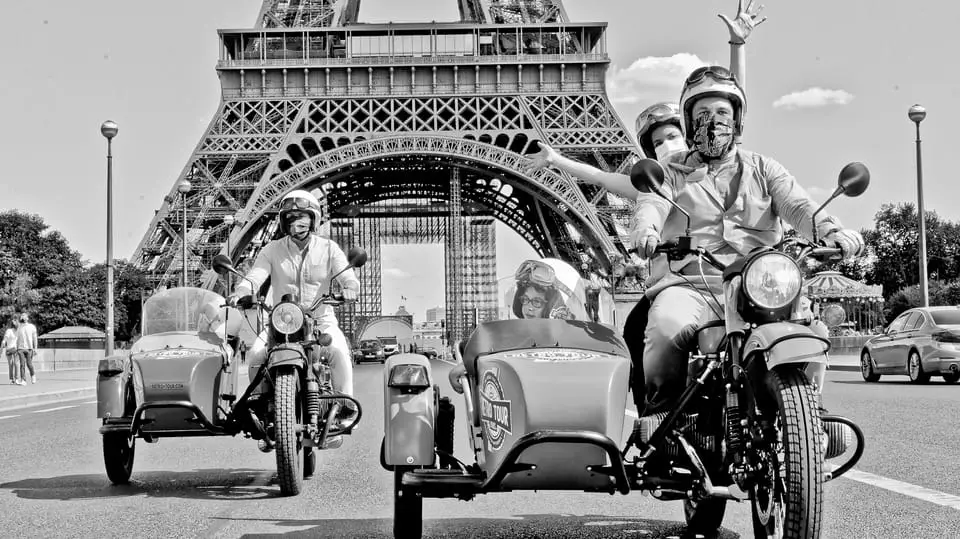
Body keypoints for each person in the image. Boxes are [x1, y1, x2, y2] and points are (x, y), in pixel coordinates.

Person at [628, 65, 864, 418]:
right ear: (690, 123)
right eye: (703, 114)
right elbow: (652, 204)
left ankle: (808, 415)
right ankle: (661, 417)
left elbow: (799, 206)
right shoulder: (670, 173)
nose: (714, 121)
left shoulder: (764, 168)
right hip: (693, 283)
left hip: (763, 282)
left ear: (737, 120)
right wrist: (645, 232)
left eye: (723, 112)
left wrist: (831, 231)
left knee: (814, 330)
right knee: (666, 327)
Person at [523, 0, 766, 198]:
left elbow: (732, 100)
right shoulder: (652, 187)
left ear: (691, 133)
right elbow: (601, 177)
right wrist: (555, 159)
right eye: (658, 143)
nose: (666, 146)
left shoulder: (717, 163)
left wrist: (737, 44)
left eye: (672, 137)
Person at [231, 189, 361, 428]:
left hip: (321, 320)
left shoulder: (329, 248)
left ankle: (345, 408)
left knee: (339, 353)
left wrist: (350, 288)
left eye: (302, 216)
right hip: (282, 321)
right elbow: (254, 277)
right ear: (283, 221)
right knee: (257, 355)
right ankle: (262, 409)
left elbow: (348, 277)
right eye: (290, 217)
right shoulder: (272, 250)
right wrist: (241, 292)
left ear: (313, 218)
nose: (296, 222)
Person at [16, 313, 38, 384]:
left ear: (27, 318)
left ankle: (33, 375)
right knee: (22, 364)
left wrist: (35, 348)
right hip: (20, 348)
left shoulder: (32, 327)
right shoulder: (19, 327)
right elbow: (16, 338)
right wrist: (16, 348)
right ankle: (23, 380)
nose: (23, 317)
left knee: (29, 364)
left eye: (25, 316)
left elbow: (35, 338)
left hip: (29, 348)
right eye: (22, 316)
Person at [4, 319, 21, 385]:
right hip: (10, 349)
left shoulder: (17, 331)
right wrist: (3, 342)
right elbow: (5, 338)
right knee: (12, 364)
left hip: (13, 349)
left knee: (14, 364)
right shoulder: (10, 331)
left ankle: (15, 379)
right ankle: (13, 379)